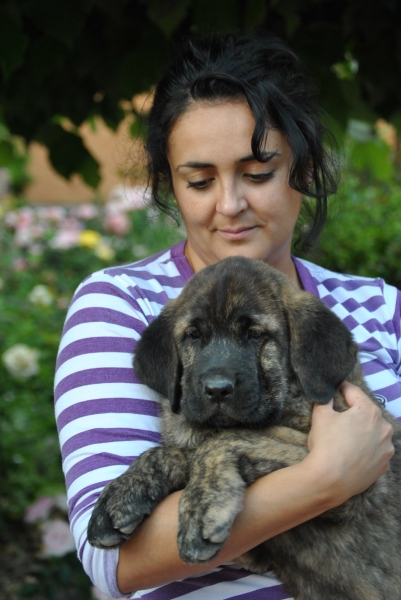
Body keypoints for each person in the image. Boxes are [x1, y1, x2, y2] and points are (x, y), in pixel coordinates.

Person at [54, 32, 399, 599]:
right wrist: (324, 479)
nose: (230, 205)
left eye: (258, 173)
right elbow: (111, 560)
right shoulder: (124, 305)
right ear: (170, 185)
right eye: (199, 181)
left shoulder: (379, 307)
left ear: (305, 170)